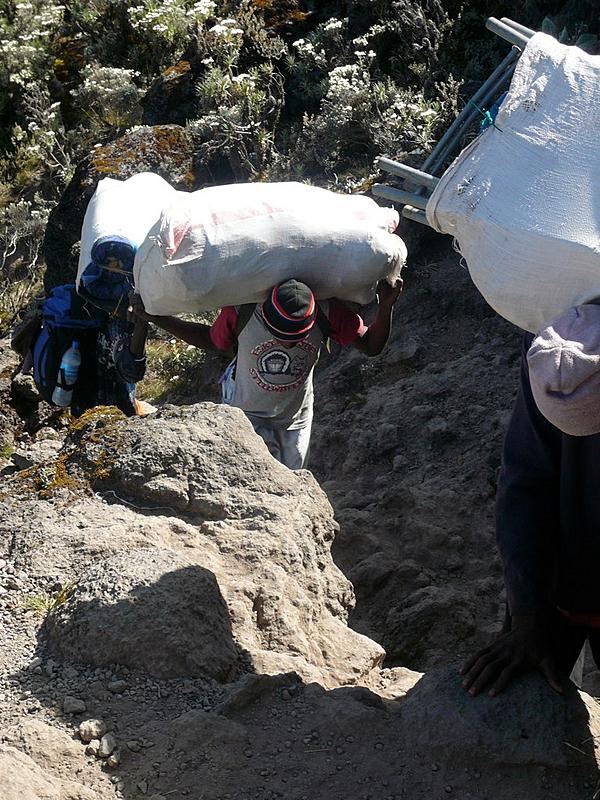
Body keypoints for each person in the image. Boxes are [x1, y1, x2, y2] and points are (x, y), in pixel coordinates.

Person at [461, 305, 600, 697]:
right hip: (556, 588)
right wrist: (526, 616)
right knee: (535, 694)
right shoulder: (557, 353)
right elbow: (526, 478)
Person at [129, 277, 402, 469]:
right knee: (242, 475)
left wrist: (386, 307)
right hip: (244, 412)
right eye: (281, 336)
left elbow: (370, 345)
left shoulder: (329, 313)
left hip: (294, 417)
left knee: (291, 483)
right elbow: (212, 340)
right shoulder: (244, 311)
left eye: (296, 339)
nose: (288, 344)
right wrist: (158, 319)